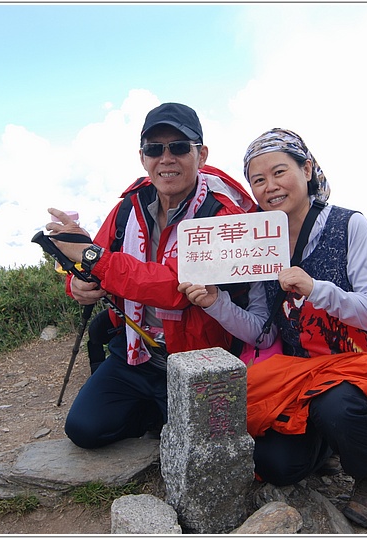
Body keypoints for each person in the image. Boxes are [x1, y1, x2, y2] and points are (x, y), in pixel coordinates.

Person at [178, 128, 367, 529]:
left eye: (280, 172)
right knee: (276, 465)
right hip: (301, 374)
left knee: (339, 404)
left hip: (359, 366)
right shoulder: (260, 240)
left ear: (308, 169)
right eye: (258, 180)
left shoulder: (350, 226)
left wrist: (318, 290)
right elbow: (262, 333)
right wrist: (216, 303)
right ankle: (329, 442)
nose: (270, 186)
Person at [45, 102, 255, 450]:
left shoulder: (222, 216)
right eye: (154, 149)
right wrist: (78, 284)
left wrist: (92, 259)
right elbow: (93, 263)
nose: (166, 158)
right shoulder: (130, 206)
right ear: (143, 157)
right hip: (135, 352)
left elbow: (175, 288)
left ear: (200, 155)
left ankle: (164, 416)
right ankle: (157, 414)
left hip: (197, 359)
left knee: (207, 445)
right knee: (84, 429)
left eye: (178, 147)